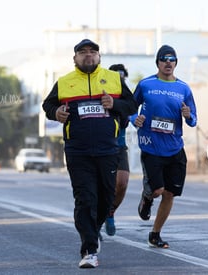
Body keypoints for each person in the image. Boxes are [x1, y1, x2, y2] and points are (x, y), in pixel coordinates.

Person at [42, 39, 138, 268]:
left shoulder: (114, 79)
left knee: (106, 197)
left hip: (108, 149)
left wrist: (113, 104)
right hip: (78, 150)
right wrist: (57, 112)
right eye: (83, 52)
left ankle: (93, 231)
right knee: (86, 199)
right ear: (75, 58)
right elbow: (47, 106)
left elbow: (132, 105)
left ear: (99, 57)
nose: (88, 56)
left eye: (93, 52)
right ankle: (89, 250)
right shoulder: (65, 82)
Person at [131, 45, 197, 248]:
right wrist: (135, 119)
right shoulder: (146, 84)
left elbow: (193, 120)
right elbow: (130, 108)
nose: (168, 62)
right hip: (151, 146)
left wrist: (188, 116)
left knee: (170, 194)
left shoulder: (184, 88)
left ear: (176, 63)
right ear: (158, 62)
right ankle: (147, 196)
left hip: (175, 148)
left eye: (172, 59)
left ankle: (155, 234)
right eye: (164, 59)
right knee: (158, 190)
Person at [104, 64, 131, 236]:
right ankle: (96, 219)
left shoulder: (127, 97)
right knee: (102, 187)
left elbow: (133, 113)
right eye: (116, 77)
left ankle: (110, 212)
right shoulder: (102, 95)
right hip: (102, 146)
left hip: (119, 146)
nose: (120, 80)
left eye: (122, 77)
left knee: (121, 184)